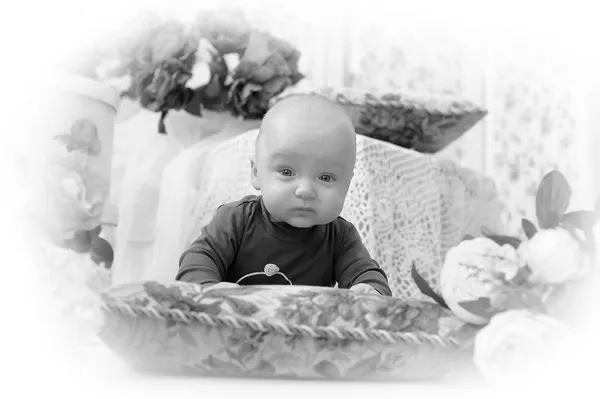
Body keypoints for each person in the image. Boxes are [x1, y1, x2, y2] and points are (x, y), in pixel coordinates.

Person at [176, 94, 392, 296]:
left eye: (325, 177)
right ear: (256, 173)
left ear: (348, 184)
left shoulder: (340, 236)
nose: (305, 190)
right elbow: (197, 262)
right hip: (234, 328)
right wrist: (209, 290)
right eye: (287, 172)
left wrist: (369, 290)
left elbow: (366, 273)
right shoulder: (236, 221)